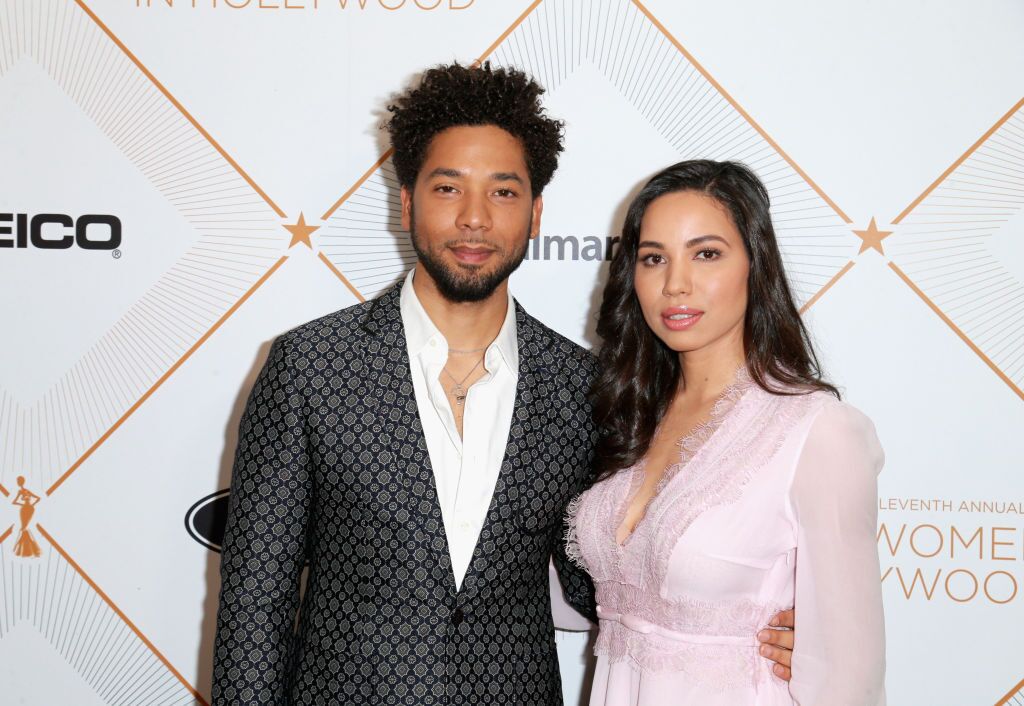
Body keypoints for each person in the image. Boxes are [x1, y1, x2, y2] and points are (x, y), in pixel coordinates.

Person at [212, 65, 796, 706]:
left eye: (503, 192)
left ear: (536, 212)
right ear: (405, 202)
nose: (474, 219)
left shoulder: (579, 387)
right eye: (447, 188)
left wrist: (760, 623)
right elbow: (253, 612)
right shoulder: (311, 368)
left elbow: (603, 581)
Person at [567, 160, 886, 705]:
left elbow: (848, 682)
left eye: (706, 253)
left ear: (754, 266)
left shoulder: (818, 431)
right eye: (653, 258)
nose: (676, 284)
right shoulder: (629, 416)